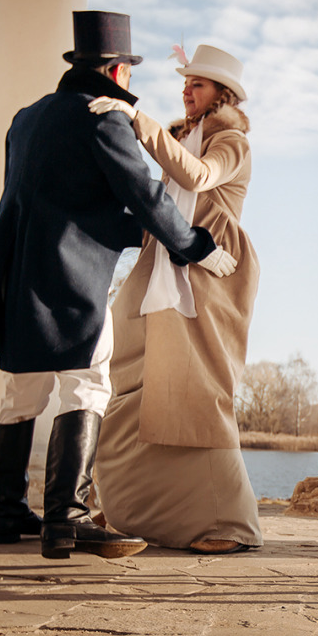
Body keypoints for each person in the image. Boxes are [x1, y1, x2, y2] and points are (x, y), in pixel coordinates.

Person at [0, 12, 237, 561]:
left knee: (22, 391)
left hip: (14, 268)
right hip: (69, 274)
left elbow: (52, 192)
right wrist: (196, 246)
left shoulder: (25, 118)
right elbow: (145, 195)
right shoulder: (101, 118)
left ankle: (8, 511)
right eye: (128, 71)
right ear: (115, 71)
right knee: (87, 383)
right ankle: (67, 518)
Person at [83, 43, 263, 554]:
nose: (186, 89)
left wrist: (134, 117)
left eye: (197, 84)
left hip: (212, 266)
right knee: (125, 381)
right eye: (185, 82)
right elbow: (158, 205)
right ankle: (126, 506)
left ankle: (229, 523)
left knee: (194, 391)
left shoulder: (231, 141)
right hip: (162, 261)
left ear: (221, 94)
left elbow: (198, 177)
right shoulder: (183, 137)